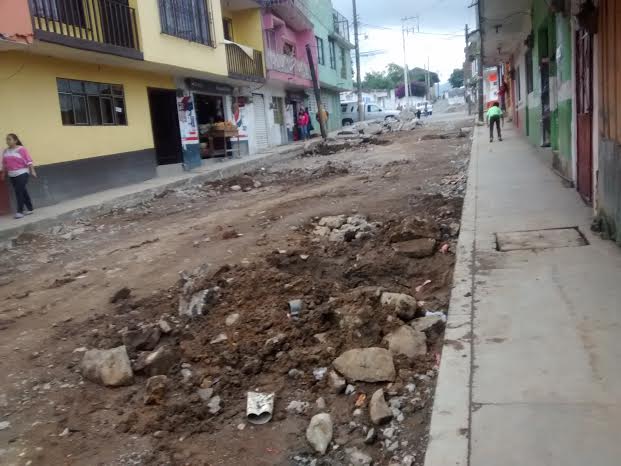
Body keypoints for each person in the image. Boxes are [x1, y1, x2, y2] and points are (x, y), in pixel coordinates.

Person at [1, 134, 37, 219]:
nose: (7, 141)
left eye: (9, 139)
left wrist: (32, 171)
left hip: (22, 173)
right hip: (11, 174)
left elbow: (29, 160)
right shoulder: (6, 151)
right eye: (7, 140)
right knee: (22, 190)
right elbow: (4, 163)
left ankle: (19, 211)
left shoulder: (21, 149)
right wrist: (3, 173)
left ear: (15, 140)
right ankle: (30, 208)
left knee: (18, 191)